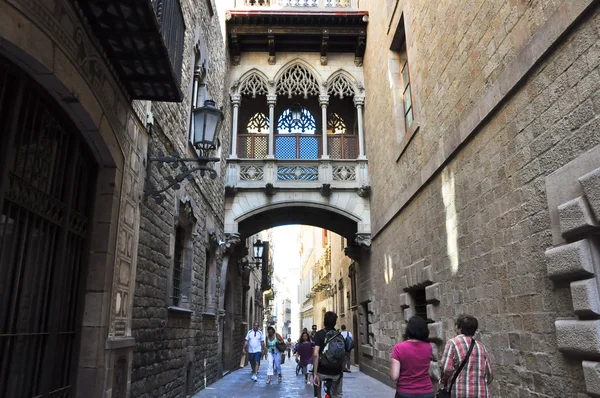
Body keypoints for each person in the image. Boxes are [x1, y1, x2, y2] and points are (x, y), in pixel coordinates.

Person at [439, 315, 493, 397]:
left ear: (460, 328)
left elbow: (446, 369)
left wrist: (443, 382)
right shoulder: (481, 347)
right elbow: (489, 374)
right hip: (480, 393)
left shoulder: (453, 343)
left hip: (459, 393)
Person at [389, 316, 435, 398]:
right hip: (427, 392)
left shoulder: (398, 348)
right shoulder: (428, 347)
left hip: (405, 392)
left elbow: (394, 376)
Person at [312, 311, 346, 398]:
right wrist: (341, 369)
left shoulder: (319, 334)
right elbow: (343, 354)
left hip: (322, 371)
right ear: (335, 322)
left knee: (317, 380)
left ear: (324, 321)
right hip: (336, 372)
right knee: (337, 395)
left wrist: (315, 373)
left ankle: (318, 396)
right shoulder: (339, 336)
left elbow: (315, 354)